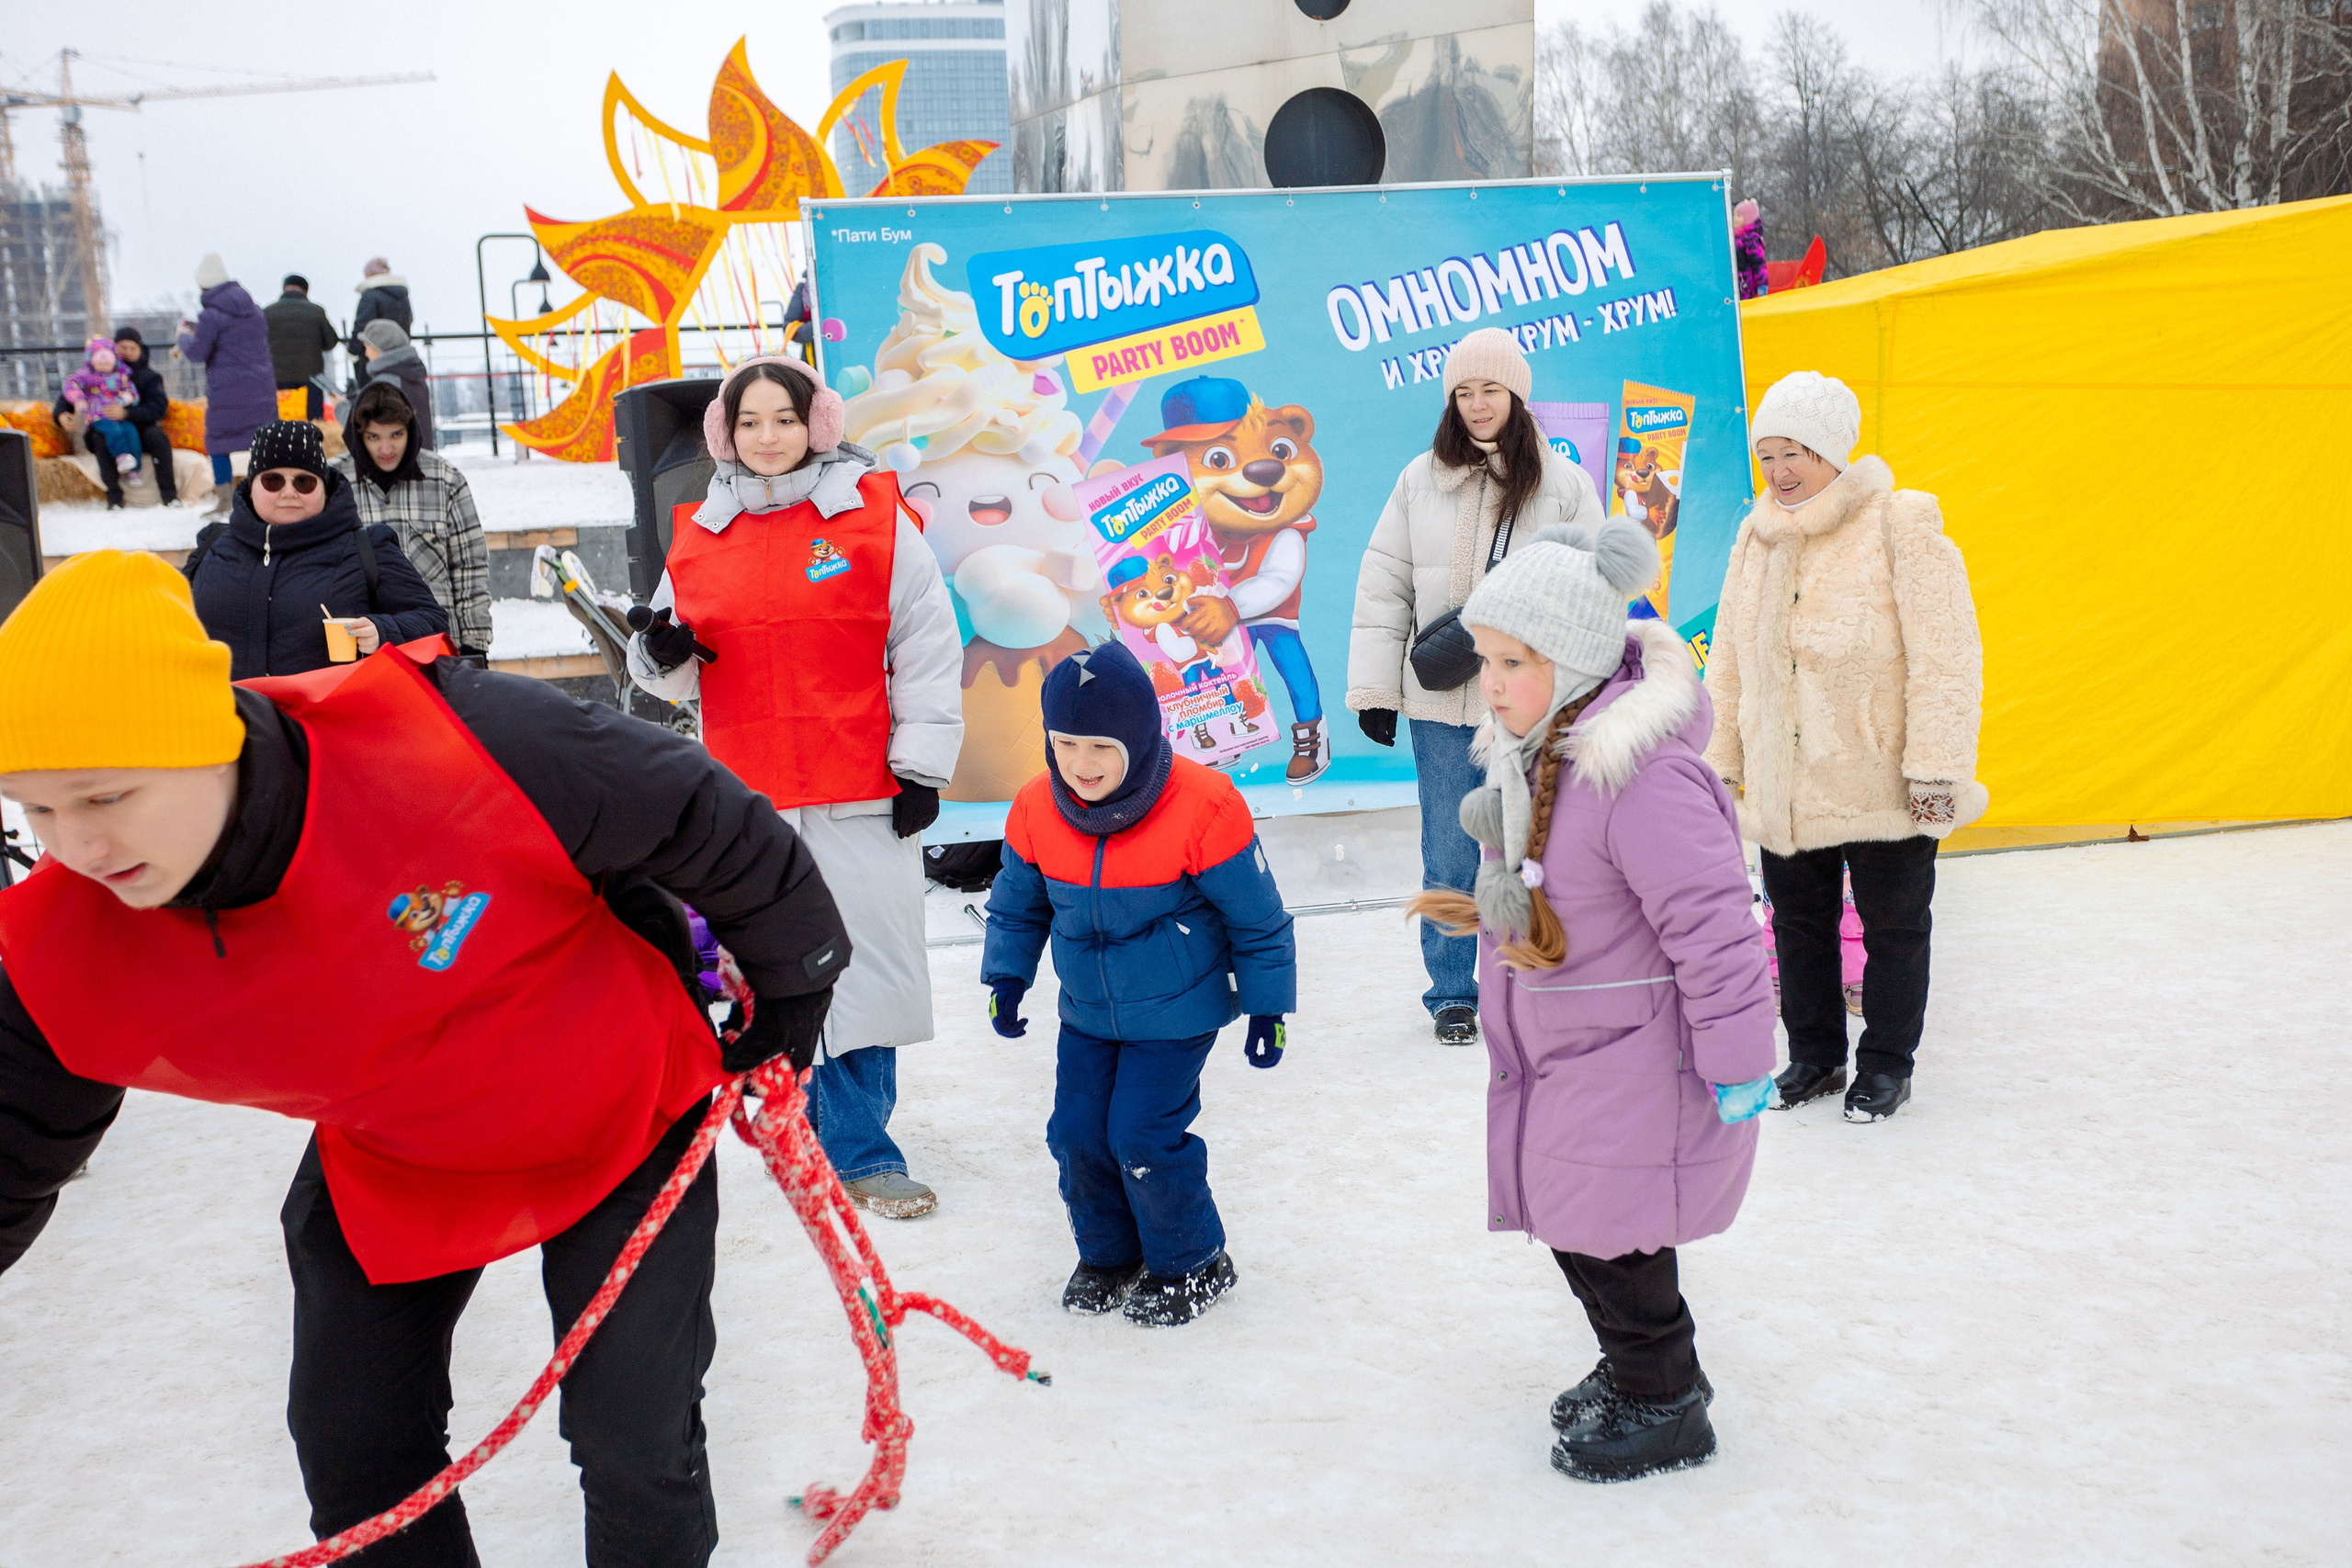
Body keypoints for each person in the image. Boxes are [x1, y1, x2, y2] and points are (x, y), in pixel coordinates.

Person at [0, 547, 850, 1568]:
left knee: (633, 1436)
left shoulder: (445, 739)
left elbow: (695, 812)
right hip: (394, 1158)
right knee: (355, 1449)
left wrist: (791, 993)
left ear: (203, 742)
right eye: (37, 811)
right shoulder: (63, 942)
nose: (78, 846)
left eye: (104, 797)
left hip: (620, 1108)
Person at [1408, 517, 1775, 1482]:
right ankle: (1635, 1369)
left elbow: (1715, 929)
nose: (1489, 683)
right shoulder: (1536, 752)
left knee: (1614, 1242)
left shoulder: (1640, 776)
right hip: (1570, 1048)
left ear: (1571, 663)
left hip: (1639, 1058)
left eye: (1511, 663)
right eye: (1483, 660)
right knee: (1581, 1228)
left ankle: (1665, 1400)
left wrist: (1740, 1063)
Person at [628, 356, 963, 1219]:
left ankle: (861, 1150)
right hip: (750, 802)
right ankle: (794, 1130)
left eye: (783, 418)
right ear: (724, 434)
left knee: (861, 971)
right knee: (774, 972)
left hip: (858, 789)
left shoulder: (873, 518)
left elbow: (926, 642)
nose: (767, 437)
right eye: (749, 423)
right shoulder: (700, 532)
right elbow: (668, 669)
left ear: (816, 423)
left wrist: (921, 764)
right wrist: (656, 658)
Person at [980, 639, 1294, 1325]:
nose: (1080, 765)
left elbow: (1259, 917)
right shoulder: (1037, 805)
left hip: (1178, 1009)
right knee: (1076, 1132)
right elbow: (1018, 899)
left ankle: (1193, 1259)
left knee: (1142, 1134)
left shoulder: (1203, 804)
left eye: (1099, 746)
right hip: (1088, 1009)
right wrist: (1007, 972)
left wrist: (1268, 1008)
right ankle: (1111, 1253)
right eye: (1065, 743)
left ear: (1138, 736)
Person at [1702, 370, 1987, 1123]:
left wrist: (1937, 767)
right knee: (1796, 923)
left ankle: (1888, 1064)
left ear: (1832, 450)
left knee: (1895, 924)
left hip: (1879, 777)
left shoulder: (1901, 523)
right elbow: (1727, 656)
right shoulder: (1756, 536)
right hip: (1785, 778)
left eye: (1796, 451)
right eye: (1768, 456)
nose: (1782, 471)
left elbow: (1948, 656)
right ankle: (1816, 1055)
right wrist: (1721, 759)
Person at [1346, 327, 1606, 1047]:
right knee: (1451, 852)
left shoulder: (1562, 484)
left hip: (1530, 705)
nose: (1477, 404)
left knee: (1540, 842)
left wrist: (1586, 686)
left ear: (1517, 395)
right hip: (1441, 705)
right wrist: (1373, 689)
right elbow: (1384, 582)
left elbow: (1594, 587)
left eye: (1490, 389)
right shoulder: (1418, 479)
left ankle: (1539, 974)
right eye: (1464, 391)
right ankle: (1455, 991)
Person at [186, 420, 447, 680]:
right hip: (220, 717)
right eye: (273, 481)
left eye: (304, 483)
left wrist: (382, 630)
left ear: (324, 489)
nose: (288, 493)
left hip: (323, 718)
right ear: (251, 488)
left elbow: (433, 622)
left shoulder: (367, 549)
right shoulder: (212, 545)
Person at [333, 382, 492, 660]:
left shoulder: (445, 479)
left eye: (396, 435)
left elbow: (470, 568)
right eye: (373, 437)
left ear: (411, 430)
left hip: (437, 647)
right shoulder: (333, 482)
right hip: (362, 651)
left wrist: (475, 645)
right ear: (358, 436)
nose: (386, 448)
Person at [175, 253, 278, 520]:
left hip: (228, 392)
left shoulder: (211, 314)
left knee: (219, 443)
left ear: (203, 286)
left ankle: (225, 501)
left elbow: (198, 352)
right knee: (262, 443)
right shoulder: (254, 310)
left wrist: (184, 338)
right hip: (261, 388)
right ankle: (267, 495)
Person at [53, 328, 180, 509]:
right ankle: (114, 498)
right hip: (103, 426)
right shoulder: (94, 371)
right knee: (101, 438)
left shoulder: (150, 377)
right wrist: (61, 414)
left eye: (132, 348)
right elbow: (70, 393)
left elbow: (159, 408)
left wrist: (127, 413)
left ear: (140, 350)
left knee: (157, 436)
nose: (127, 352)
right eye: (123, 347)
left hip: (139, 427)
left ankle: (170, 496)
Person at [56, 339, 142, 508]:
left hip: (119, 417)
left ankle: (133, 469)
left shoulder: (121, 376)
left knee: (131, 432)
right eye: (99, 361)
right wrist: (78, 399)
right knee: (112, 432)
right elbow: (69, 385)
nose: (103, 365)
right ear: (91, 360)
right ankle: (121, 457)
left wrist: (126, 399)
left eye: (107, 361)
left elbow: (132, 392)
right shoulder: (86, 375)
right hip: (97, 417)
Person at [264, 274, 339, 420]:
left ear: (284, 289)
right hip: (310, 378)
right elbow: (331, 342)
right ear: (306, 291)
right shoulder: (316, 311)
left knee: (278, 423)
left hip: (277, 379)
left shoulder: (267, 312)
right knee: (313, 424)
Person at [354, 321, 434, 449]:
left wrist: (340, 406)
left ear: (378, 348)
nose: (366, 353)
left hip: (397, 461)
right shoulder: (413, 375)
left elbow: (361, 425)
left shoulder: (385, 382)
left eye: (367, 347)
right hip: (421, 456)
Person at [349, 256, 413, 362]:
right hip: (400, 354)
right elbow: (409, 320)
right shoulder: (402, 295)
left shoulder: (370, 295)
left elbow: (361, 326)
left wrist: (353, 351)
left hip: (374, 355)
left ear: (369, 274)